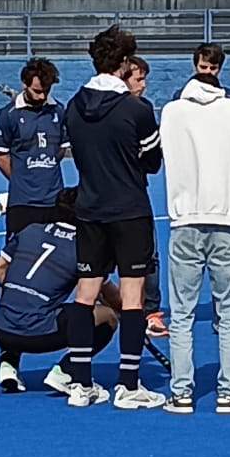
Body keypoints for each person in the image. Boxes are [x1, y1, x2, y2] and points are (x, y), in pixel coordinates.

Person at [63, 25, 165, 409]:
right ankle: (128, 383)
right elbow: (152, 162)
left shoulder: (73, 105)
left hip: (89, 209)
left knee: (85, 294)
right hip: (129, 210)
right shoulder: (137, 109)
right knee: (134, 297)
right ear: (124, 64)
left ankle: (81, 382)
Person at [159, 42, 230, 415]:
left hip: (185, 218)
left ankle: (181, 392)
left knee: (181, 314)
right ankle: (229, 392)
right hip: (227, 220)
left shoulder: (171, 112)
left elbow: (165, 155)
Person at [0, 189, 121, 395]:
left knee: (17, 301)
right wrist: (131, 314)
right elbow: (105, 294)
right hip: (39, 335)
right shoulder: (85, 247)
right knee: (108, 317)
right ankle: (67, 372)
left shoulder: (30, 230)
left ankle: (8, 364)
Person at [0, 57, 69, 239]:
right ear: (24, 85)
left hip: (54, 201)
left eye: (46, 91)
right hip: (22, 203)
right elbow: (1, 155)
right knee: (16, 257)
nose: (42, 96)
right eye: (37, 91)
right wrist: (21, 177)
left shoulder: (58, 111)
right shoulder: (8, 115)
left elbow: (60, 149)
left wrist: (45, 165)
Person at [122, 53, 168, 341]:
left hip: (136, 189)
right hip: (120, 195)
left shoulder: (145, 108)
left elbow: (151, 158)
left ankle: (150, 310)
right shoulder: (116, 110)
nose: (144, 84)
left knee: (149, 253)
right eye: (139, 78)